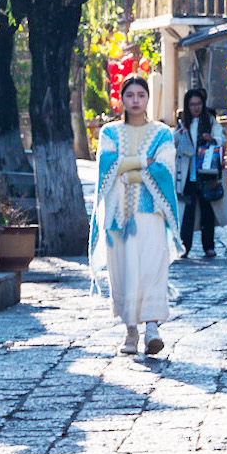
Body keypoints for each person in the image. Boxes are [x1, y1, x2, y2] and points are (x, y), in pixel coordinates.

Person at [90, 76, 180, 356]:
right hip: (118, 218)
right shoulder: (110, 132)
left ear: (148, 98)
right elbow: (105, 163)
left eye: (141, 95)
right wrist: (143, 164)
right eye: (130, 95)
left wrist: (125, 171)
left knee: (152, 269)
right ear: (122, 99)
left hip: (150, 215)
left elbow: (164, 168)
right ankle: (130, 331)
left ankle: (152, 328)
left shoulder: (163, 133)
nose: (136, 100)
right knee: (123, 274)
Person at [174, 88, 227, 257]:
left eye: (198, 104)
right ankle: (185, 246)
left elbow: (221, 139)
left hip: (206, 173)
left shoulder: (210, 121)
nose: (195, 107)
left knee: (208, 210)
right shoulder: (182, 123)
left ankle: (209, 246)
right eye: (192, 104)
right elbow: (173, 141)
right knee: (187, 212)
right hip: (188, 174)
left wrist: (212, 139)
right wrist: (180, 134)